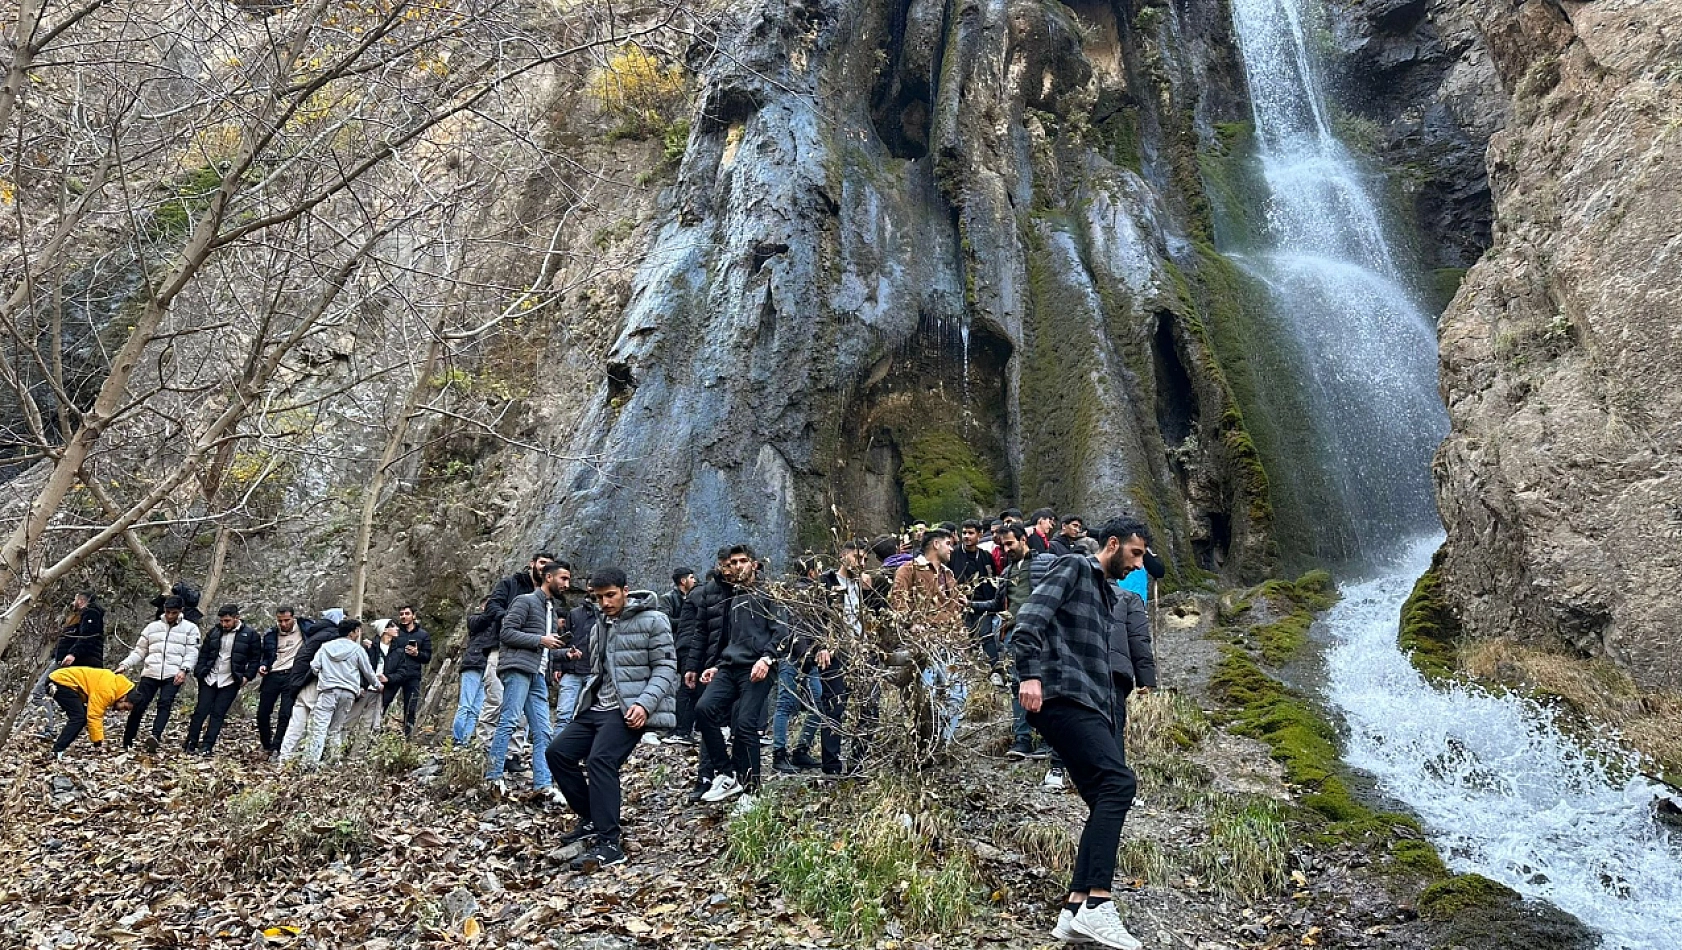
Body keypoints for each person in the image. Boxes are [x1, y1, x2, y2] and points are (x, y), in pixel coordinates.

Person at [1013, 516, 1148, 950]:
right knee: (1117, 783)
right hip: (1059, 693)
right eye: (1135, 553)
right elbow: (1028, 619)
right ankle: (1098, 905)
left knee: (1104, 794)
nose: (1138, 563)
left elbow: (1100, 669)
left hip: (1087, 701)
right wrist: (1029, 676)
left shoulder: (1109, 596)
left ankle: (1073, 910)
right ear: (1113, 544)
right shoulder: (1073, 567)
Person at [547, 568, 679, 872]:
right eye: (599, 597)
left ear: (625, 590)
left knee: (600, 760)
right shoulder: (600, 625)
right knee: (557, 753)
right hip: (597, 707)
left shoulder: (654, 620)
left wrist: (644, 705)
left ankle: (610, 843)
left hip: (629, 709)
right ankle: (593, 817)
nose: (605, 602)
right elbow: (599, 671)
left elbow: (666, 667)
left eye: (610, 595)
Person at [695, 545, 787, 805]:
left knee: (746, 724)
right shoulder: (735, 596)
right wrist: (716, 665)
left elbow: (782, 632)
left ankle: (752, 791)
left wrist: (767, 659)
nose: (737, 566)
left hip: (758, 667)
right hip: (730, 666)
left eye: (743, 561)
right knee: (704, 709)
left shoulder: (770, 594)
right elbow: (733, 639)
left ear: (755, 564)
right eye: (733, 562)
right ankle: (727, 773)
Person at [485, 560, 568, 797]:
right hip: (518, 669)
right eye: (563, 578)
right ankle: (493, 777)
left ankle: (543, 785)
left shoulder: (550, 609)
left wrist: (564, 654)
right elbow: (507, 633)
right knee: (509, 721)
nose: (567, 584)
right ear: (548, 577)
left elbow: (544, 646)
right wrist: (541, 640)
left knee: (543, 731)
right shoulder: (525, 601)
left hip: (537, 673)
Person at [889, 527, 969, 750]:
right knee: (927, 697)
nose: (951, 548)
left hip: (950, 643)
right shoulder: (909, 570)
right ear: (936, 544)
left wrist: (959, 607)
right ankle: (926, 745)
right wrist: (912, 625)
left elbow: (953, 608)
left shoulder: (948, 574)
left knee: (958, 694)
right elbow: (898, 600)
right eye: (948, 544)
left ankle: (944, 742)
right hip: (924, 645)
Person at [676, 549, 737, 800]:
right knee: (707, 720)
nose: (728, 569)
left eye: (731, 564)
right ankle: (706, 777)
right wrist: (691, 666)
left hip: (739, 664)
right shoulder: (706, 592)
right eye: (724, 565)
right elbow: (697, 632)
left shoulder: (746, 591)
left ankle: (737, 777)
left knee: (739, 725)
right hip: (710, 665)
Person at [118, 596, 202, 753]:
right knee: (138, 704)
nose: (170, 616)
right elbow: (140, 650)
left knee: (164, 703)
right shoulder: (152, 627)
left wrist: (184, 669)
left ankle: (155, 736)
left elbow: (192, 652)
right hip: (151, 671)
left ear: (181, 611)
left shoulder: (190, 629)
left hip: (174, 673)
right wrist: (125, 664)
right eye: (168, 612)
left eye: (174, 613)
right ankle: (127, 740)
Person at [184, 605, 262, 754]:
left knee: (218, 714)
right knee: (200, 711)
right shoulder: (214, 632)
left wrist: (247, 676)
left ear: (236, 618)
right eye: (222, 621)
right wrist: (199, 672)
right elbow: (204, 653)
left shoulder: (251, 635)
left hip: (230, 680)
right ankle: (190, 742)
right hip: (209, 678)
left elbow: (255, 659)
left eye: (227, 621)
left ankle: (207, 746)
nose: (224, 624)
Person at [772, 556, 825, 774]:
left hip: (802, 656)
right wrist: (806, 655)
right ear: (811, 572)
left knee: (814, 702)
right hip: (796, 657)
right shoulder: (804, 594)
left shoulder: (791, 593)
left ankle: (798, 750)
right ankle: (781, 753)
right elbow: (798, 627)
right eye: (818, 569)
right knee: (788, 704)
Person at [303, 618, 381, 766]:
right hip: (348, 693)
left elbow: (314, 666)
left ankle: (310, 763)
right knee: (336, 728)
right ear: (353, 632)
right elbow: (368, 672)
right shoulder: (357, 650)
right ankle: (333, 761)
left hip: (328, 691)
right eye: (358, 630)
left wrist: (325, 673)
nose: (359, 633)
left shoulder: (325, 647)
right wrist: (377, 685)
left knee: (320, 726)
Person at [32, 591, 106, 737]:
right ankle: (77, 721)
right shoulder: (78, 617)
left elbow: (87, 637)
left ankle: (49, 729)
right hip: (65, 660)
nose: (73, 602)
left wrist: (72, 654)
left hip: (69, 661)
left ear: (81, 600)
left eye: (75, 599)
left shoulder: (90, 614)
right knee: (64, 694)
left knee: (39, 692)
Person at [277, 608, 346, 761]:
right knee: (317, 725)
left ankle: (284, 758)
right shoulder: (332, 637)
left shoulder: (315, 633)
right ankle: (311, 761)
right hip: (316, 684)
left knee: (296, 723)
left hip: (300, 683)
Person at [44, 666, 136, 758]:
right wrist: (98, 743)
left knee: (80, 716)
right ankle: (57, 751)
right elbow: (94, 716)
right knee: (79, 717)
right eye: (125, 707)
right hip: (60, 682)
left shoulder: (114, 685)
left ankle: (58, 749)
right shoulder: (108, 691)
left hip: (61, 681)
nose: (122, 710)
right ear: (123, 697)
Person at [256, 607, 306, 754]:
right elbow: (266, 654)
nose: (283, 624)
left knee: (285, 713)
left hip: (292, 675)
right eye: (280, 621)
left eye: (286, 620)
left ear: (293, 618)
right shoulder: (271, 634)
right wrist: (263, 665)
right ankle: (266, 744)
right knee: (262, 713)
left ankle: (277, 745)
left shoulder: (305, 629)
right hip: (273, 674)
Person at [378, 605, 431, 737]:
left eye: (407, 613)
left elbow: (427, 657)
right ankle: (375, 732)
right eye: (401, 614)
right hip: (394, 674)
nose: (404, 616)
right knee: (382, 703)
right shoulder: (395, 632)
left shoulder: (423, 635)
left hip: (412, 675)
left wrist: (417, 653)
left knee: (410, 708)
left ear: (414, 615)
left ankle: (407, 739)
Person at [555, 597, 594, 731]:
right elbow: (563, 640)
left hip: (595, 673)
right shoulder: (574, 613)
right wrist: (558, 666)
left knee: (591, 716)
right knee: (563, 715)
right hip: (571, 670)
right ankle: (557, 750)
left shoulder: (605, 615)